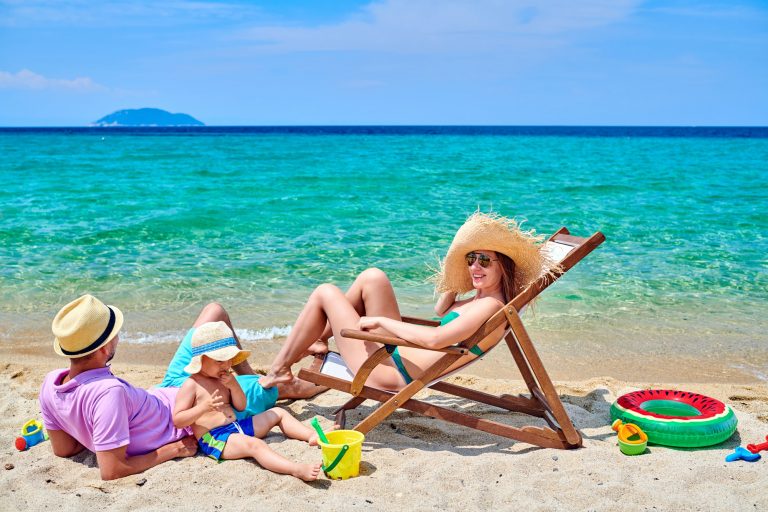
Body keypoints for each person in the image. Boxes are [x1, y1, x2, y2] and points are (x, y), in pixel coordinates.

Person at [260, 211, 553, 391]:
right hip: (396, 356)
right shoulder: (480, 299)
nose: (475, 266)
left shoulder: (491, 306)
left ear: (504, 267)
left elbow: (437, 339)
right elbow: (441, 311)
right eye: (471, 259)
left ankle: (280, 368)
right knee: (373, 277)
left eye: (485, 261)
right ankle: (319, 339)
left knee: (326, 292)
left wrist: (382, 322)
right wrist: (458, 282)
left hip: (386, 372)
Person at [39, 295, 322, 480]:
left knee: (215, 311)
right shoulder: (107, 394)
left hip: (173, 385)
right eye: (114, 335)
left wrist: (94, 430)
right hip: (207, 403)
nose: (118, 338)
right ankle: (307, 376)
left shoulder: (51, 385)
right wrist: (172, 451)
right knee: (282, 386)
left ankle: (247, 370)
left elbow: (64, 449)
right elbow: (112, 470)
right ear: (104, 349)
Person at [172, 321, 322, 481]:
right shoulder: (192, 385)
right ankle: (295, 469)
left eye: (229, 360)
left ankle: (311, 435)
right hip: (215, 438)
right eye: (219, 361)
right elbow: (178, 420)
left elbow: (241, 406)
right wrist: (202, 408)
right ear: (201, 360)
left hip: (237, 426)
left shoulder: (222, 379)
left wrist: (234, 386)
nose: (227, 365)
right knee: (255, 445)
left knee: (278, 413)